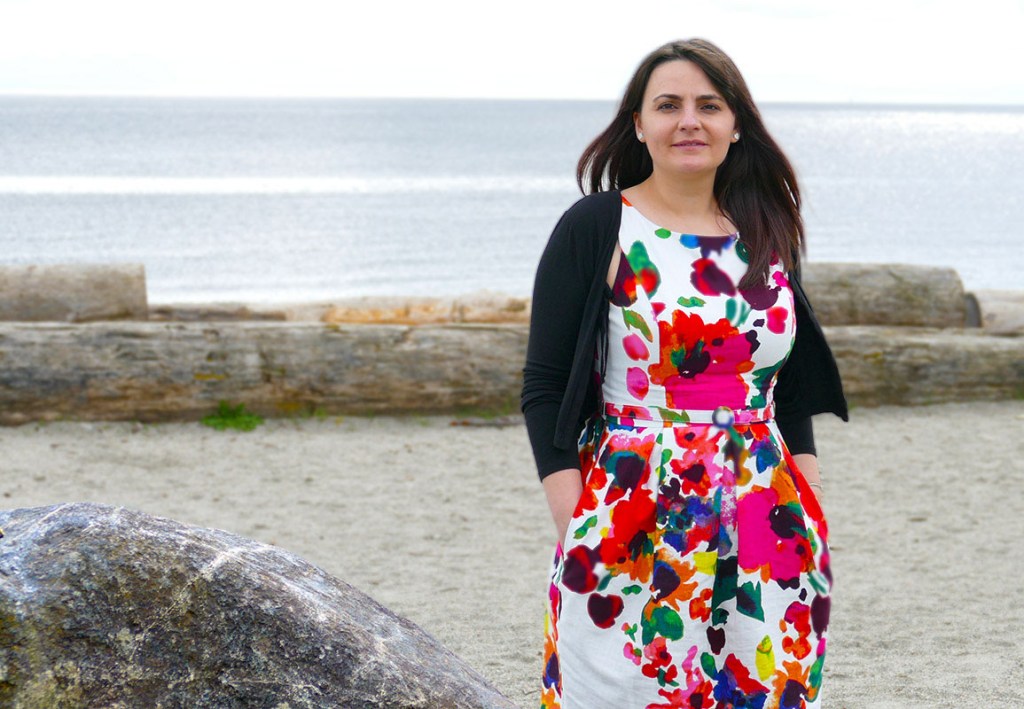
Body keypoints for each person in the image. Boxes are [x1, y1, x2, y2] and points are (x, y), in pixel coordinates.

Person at [521, 38, 848, 709]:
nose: (689, 121)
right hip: (632, 506)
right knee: (625, 688)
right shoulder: (598, 226)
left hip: (764, 511)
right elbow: (545, 384)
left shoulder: (768, 229)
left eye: (709, 105)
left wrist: (810, 499)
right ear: (639, 124)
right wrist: (574, 518)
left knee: (762, 685)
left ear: (737, 125)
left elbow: (787, 385)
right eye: (668, 105)